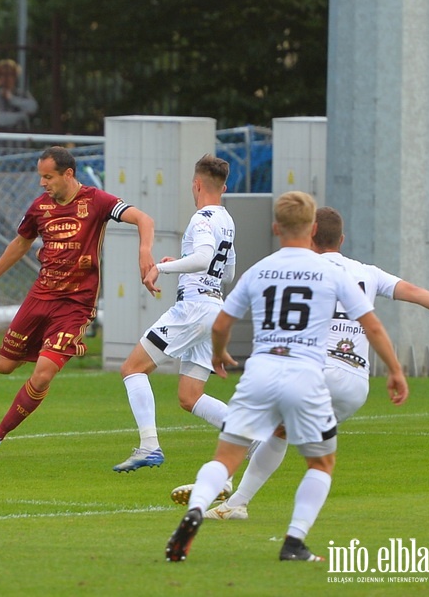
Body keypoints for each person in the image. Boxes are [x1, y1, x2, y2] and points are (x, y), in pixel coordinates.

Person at [191, 206, 429, 520]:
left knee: (253, 426)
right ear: (342, 239)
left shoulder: (300, 267)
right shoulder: (367, 272)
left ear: (310, 233)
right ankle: (237, 504)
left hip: (314, 370)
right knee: (283, 433)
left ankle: (216, 485)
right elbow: (412, 291)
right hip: (355, 383)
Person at [165, 191, 409, 563]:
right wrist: (394, 370)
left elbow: (222, 322)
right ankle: (294, 541)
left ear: (276, 227)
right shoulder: (332, 271)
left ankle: (197, 509)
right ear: (312, 229)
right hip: (305, 375)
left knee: (227, 456)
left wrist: (218, 355)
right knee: (321, 463)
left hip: (260, 372)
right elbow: (371, 326)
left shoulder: (260, 269)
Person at [0, 146, 157, 460]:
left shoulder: (97, 201)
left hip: (75, 304)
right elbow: (21, 242)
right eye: (41, 176)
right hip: (40, 296)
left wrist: (144, 251)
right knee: (4, 366)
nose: (43, 183)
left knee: (42, 374)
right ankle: (52, 350)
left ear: (68, 174)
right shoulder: (40, 207)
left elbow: (143, 218)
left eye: (48, 177)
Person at [114, 155, 236, 473]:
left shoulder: (201, 219)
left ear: (196, 184)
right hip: (214, 308)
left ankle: (149, 447)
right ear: (223, 187)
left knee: (132, 369)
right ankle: (248, 436)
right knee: (190, 396)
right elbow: (228, 271)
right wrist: (186, 262)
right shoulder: (226, 220)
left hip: (193, 308)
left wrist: (162, 267)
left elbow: (204, 258)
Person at [0, 59, 38, 132]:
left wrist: (12, 99)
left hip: (21, 141)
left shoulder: (23, 94)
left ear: (15, 77)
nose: (7, 78)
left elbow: (33, 107)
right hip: (0, 142)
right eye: (3, 74)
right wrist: (23, 115)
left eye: (10, 74)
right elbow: (0, 120)